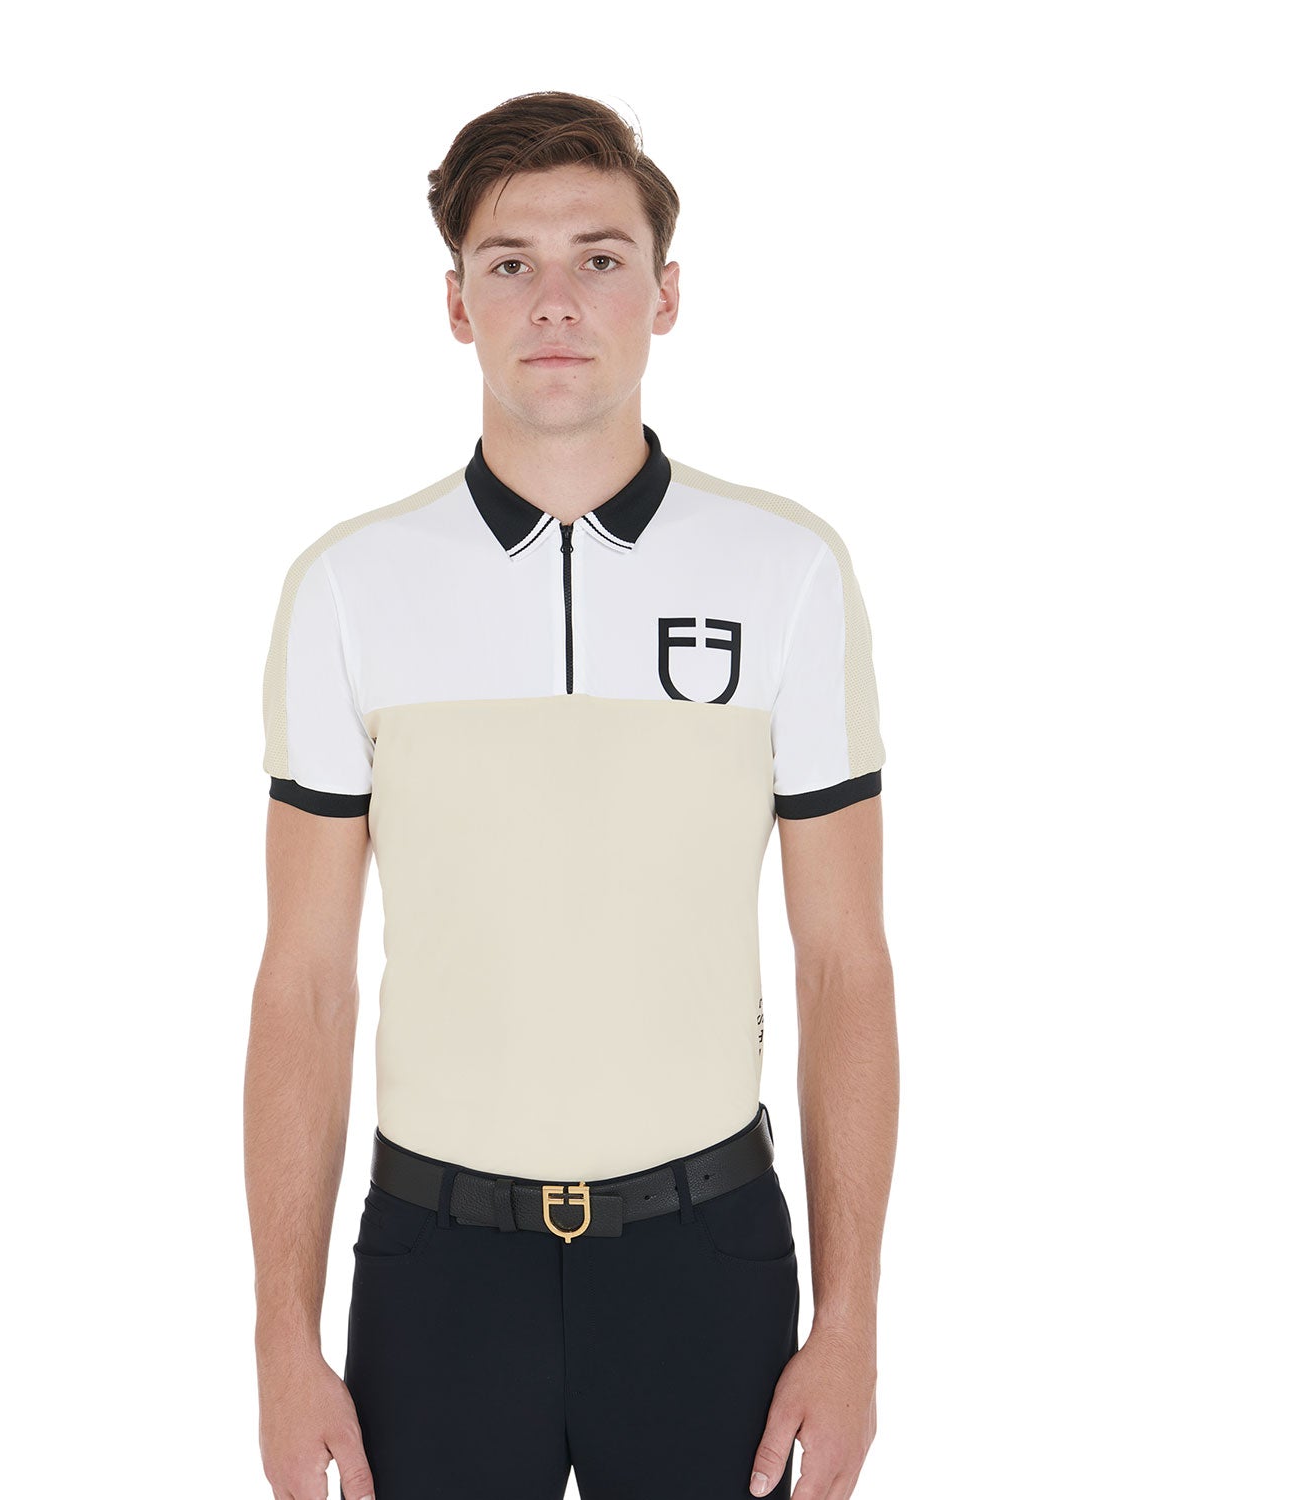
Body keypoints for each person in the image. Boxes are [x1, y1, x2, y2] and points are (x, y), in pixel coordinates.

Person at [245, 90, 898, 1500]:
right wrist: (281, 1341)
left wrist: (849, 1326)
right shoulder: (349, 589)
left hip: (706, 1259)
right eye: (510, 262)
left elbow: (844, 965)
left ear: (665, 295)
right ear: (456, 302)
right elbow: (303, 984)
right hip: (436, 1271)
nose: (556, 300)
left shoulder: (787, 573)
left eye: (600, 258)